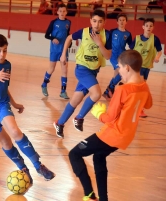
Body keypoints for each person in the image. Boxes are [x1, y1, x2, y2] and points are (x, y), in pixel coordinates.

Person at [68, 50, 153, 201]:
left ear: (127, 68)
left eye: (119, 67)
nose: (119, 71)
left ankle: (89, 194)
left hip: (112, 135)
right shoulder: (144, 86)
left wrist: (99, 113)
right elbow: (148, 104)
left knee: (74, 154)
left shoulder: (122, 89)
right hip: (126, 136)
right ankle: (103, 199)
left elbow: (109, 117)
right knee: (99, 157)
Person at [0, 34, 55, 184]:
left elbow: (4, 88)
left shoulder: (7, 65)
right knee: (6, 143)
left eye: (5, 51)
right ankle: (23, 168)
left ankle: (39, 165)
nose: (2, 54)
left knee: (15, 131)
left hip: (1, 105)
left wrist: (14, 103)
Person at [54, 9, 112, 136]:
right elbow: (69, 38)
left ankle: (59, 123)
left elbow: (107, 56)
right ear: (91, 21)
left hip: (93, 71)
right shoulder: (84, 31)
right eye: (94, 21)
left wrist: (99, 43)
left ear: (104, 23)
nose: (97, 24)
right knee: (96, 93)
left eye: (100, 21)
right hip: (82, 69)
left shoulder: (107, 35)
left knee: (75, 101)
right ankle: (79, 118)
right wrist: (63, 54)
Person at [129, 18, 162, 117]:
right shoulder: (137, 38)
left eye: (151, 26)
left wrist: (157, 57)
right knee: (141, 87)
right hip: (136, 66)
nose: (149, 27)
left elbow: (160, 51)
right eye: (147, 25)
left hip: (147, 66)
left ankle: (132, 104)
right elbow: (130, 50)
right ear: (143, 27)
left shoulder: (155, 39)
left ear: (153, 28)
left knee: (138, 86)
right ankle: (139, 109)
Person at [41, 3, 71, 99]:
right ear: (57, 12)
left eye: (64, 11)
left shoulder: (68, 22)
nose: (62, 13)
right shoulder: (53, 22)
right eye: (60, 11)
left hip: (63, 50)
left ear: (66, 12)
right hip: (54, 50)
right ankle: (44, 84)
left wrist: (69, 43)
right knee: (51, 68)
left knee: (64, 71)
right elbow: (46, 35)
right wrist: (53, 38)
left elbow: (68, 34)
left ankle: (63, 91)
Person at [102, 13, 132, 101]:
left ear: (126, 22)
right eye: (120, 20)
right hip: (113, 55)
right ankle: (109, 89)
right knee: (121, 73)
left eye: (123, 20)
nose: (122, 22)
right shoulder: (112, 31)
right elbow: (105, 40)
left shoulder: (128, 34)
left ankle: (109, 92)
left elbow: (131, 45)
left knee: (116, 75)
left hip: (122, 57)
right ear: (117, 22)